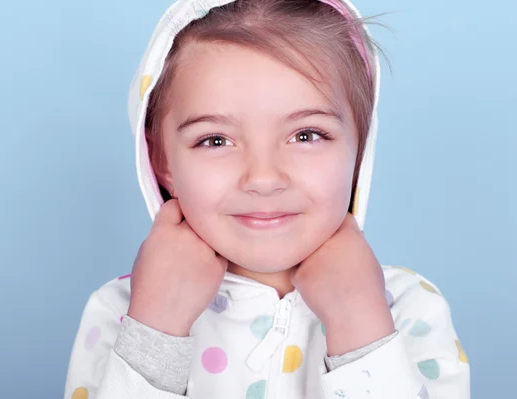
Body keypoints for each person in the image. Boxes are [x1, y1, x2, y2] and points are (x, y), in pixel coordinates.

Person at [64, 0, 471, 397]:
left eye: (307, 135)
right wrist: (155, 332)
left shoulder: (409, 308)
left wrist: (360, 328)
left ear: (359, 151)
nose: (262, 178)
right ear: (161, 161)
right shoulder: (121, 311)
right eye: (216, 139)